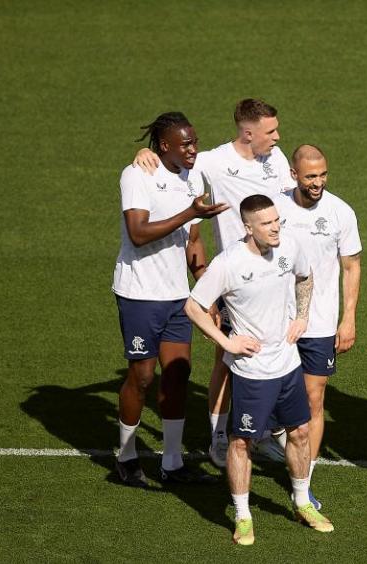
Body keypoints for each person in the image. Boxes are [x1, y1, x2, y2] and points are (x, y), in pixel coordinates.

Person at [133, 99, 296, 466]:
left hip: (276, 274)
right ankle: (220, 438)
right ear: (247, 132)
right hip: (237, 278)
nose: (277, 137)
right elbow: (172, 168)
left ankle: (265, 432)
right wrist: (145, 151)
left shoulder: (277, 159)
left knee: (274, 347)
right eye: (270, 131)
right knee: (229, 356)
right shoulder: (213, 161)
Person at [184, 194, 334, 545]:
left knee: (299, 432)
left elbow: (305, 277)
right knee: (242, 443)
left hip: (288, 365)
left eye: (277, 220)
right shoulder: (228, 263)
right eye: (267, 224)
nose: (275, 228)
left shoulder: (288, 246)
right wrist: (226, 343)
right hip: (252, 372)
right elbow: (193, 306)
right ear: (248, 227)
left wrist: (302, 316)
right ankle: (243, 515)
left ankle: (301, 502)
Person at [112, 111, 228, 488]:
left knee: (177, 374)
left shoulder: (192, 177)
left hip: (178, 295)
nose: (194, 149)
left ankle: (173, 463)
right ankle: (127, 458)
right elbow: (138, 233)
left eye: (195, 141)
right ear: (165, 146)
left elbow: (193, 241)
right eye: (186, 144)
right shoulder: (138, 175)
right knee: (143, 376)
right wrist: (190, 212)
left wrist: (207, 289)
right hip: (140, 294)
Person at [274, 144, 362, 510]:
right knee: (272, 398)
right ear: (294, 175)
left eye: (323, 174)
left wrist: (349, 318)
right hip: (277, 323)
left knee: (314, 399)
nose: (318, 182)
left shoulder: (340, 211)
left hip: (321, 324)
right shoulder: (274, 208)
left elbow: (352, 267)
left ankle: (302, 485)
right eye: (310, 176)